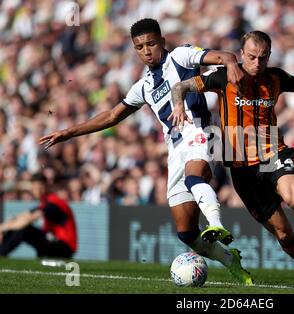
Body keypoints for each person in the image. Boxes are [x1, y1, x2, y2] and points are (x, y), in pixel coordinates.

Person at [39, 18, 253, 285]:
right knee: (186, 234)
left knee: (194, 177)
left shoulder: (181, 56)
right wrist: (68, 132)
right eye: (140, 47)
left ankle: (217, 225)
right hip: (176, 152)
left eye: (151, 43)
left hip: (202, 132)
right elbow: (111, 116)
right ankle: (231, 260)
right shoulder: (143, 87)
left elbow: (223, 56)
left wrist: (232, 63)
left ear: (162, 42)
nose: (147, 50)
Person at [171, 31, 294, 286]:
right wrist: (178, 104)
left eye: (263, 58)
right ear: (242, 54)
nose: (258, 63)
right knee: (284, 235)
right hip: (241, 167)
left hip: (271, 152)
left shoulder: (275, 78)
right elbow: (181, 86)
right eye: (252, 57)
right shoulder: (223, 76)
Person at [0, 174, 77, 258]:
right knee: (16, 227)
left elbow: (28, 220)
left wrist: (4, 228)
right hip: (53, 241)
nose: (37, 191)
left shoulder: (53, 203)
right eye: (34, 188)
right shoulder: (45, 202)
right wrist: (5, 227)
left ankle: (1, 253)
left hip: (64, 247)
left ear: (46, 187)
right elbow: (23, 216)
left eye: (40, 187)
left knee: (23, 229)